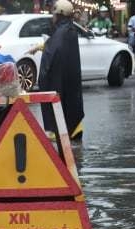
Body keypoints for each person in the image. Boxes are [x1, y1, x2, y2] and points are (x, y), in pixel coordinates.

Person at [36, 0, 84, 139]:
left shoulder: (63, 32)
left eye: (54, 14)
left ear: (60, 15)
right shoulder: (69, 30)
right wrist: (42, 46)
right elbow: (55, 46)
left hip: (60, 83)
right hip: (71, 86)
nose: (53, 17)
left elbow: (52, 55)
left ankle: (57, 132)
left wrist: (44, 79)